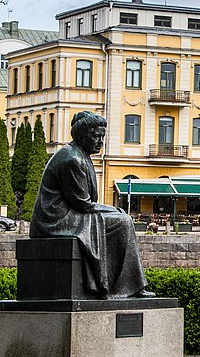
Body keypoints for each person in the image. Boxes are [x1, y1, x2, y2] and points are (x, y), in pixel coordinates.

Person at [30, 111, 154, 299]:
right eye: (96, 136)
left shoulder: (81, 155)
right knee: (123, 222)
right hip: (56, 219)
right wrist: (115, 209)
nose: (100, 141)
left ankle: (124, 286)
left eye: (102, 136)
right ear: (82, 135)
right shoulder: (72, 159)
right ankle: (127, 287)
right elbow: (84, 204)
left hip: (69, 213)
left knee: (121, 220)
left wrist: (113, 210)